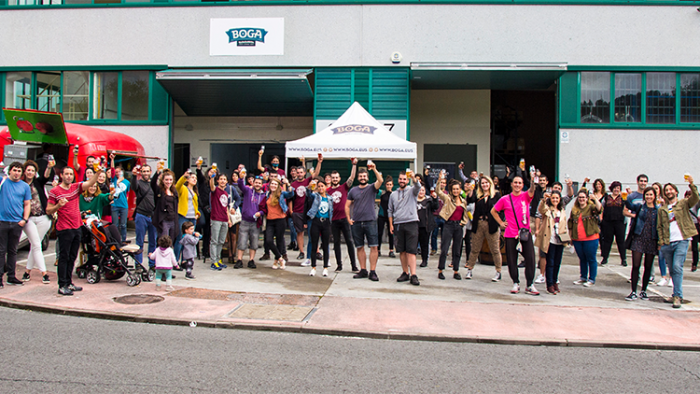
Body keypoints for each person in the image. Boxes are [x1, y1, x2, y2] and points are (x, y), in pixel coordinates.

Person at [47, 166, 102, 296]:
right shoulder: (55, 191)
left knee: (72, 256)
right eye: (66, 174)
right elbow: (48, 210)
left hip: (77, 226)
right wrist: (58, 205)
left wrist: (98, 172)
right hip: (64, 228)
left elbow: (90, 182)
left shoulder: (75, 187)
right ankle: (62, 284)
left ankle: (69, 282)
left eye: (71, 174)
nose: (69, 176)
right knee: (63, 257)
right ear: (61, 175)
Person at [491, 174, 539, 295]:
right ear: (512, 184)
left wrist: (533, 181)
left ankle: (529, 284)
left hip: (524, 233)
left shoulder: (525, 196)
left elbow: (532, 190)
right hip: (510, 233)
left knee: (530, 259)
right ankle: (515, 282)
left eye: (520, 183)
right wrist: (501, 223)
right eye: (515, 183)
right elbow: (494, 211)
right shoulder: (505, 199)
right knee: (512, 259)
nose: (517, 185)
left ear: (523, 185)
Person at [657, 176, 698, 308]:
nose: (669, 192)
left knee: (676, 267)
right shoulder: (662, 209)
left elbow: (696, 198)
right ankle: (675, 293)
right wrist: (662, 242)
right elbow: (659, 226)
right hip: (668, 242)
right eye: (666, 190)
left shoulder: (683, 203)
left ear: (676, 191)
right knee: (673, 270)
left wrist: (691, 184)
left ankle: (678, 296)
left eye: (671, 189)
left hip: (682, 239)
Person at [345, 163, 383, 281]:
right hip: (356, 223)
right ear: (358, 178)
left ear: (367, 177)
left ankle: (372, 271)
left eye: (364, 176)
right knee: (359, 247)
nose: (362, 178)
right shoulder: (353, 190)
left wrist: (375, 169)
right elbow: (347, 205)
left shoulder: (372, 187)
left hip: (370, 221)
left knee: (374, 247)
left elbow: (380, 180)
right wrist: (348, 218)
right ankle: (363, 270)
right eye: (360, 176)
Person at [20, 160, 53, 284]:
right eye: (28, 170)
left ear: (35, 173)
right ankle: (44, 273)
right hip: (29, 219)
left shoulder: (37, 183)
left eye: (32, 170)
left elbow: (46, 177)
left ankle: (27, 272)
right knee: (36, 245)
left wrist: (49, 167)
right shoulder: (20, 184)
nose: (30, 172)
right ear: (25, 171)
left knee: (35, 245)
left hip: (43, 217)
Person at [0, 162, 32, 288]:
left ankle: (11, 277)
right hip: (2, 221)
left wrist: (24, 219)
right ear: (10, 171)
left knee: (13, 251)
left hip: (16, 223)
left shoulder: (25, 186)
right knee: (1, 250)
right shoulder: (3, 182)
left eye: (19, 171)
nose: (17, 173)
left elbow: (27, 204)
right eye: (15, 170)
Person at [465, 175, 503, 282]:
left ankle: (498, 271)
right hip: (479, 223)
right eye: (482, 183)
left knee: (495, 248)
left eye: (486, 183)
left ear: (490, 183)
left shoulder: (496, 195)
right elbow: (470, 199)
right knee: (475, 248)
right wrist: (471, 190)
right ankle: (470, 269)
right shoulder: (478, 195)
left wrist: (501, 222)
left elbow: (502, 208)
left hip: (491, 224)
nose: (484, 185)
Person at [625, 187, 659, 301]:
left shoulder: (658, 210)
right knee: (636, 265)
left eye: (651, 194)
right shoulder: (640, 207)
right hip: (638, 238)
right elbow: (629, 205)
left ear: (654, 196)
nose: (649, 197)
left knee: (648, 266)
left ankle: (644, 290)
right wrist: (627, 196)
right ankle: (633, 291)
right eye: (647, 195)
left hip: (652, 239)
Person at [388, 171, 421, 286]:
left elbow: (418, 186)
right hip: (398, 224)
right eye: (400, 179)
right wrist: (391, 224)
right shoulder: (393, 195)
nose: (402, 181)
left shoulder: (412, 191)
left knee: (411, 250)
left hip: (411, 222)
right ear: (398, 180)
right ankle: (405, 272)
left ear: (407, 181)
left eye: (404, 179)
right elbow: (390, 211)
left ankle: (413, 274)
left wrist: (413, 177)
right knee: (401, 250)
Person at [435, 172, 470, 280]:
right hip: (448, 225)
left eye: (457, 189)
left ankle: (456, 270)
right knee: (444, 249)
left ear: (460, 190)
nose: (455, 191)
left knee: (457, 249)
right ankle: (441, 270)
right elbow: (438, 191)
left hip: (458, 226)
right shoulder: (448, 198)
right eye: (454, 189)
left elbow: (466, 214)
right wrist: (440, 179)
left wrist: (463, 223)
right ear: (451, 190)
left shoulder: (463, 201)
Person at [535, 190, 570, 295]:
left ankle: (555, 281)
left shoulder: (562, 210)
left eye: (557, 198)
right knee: (550, 262)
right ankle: (549, 284)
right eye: (553, 198)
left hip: (560, 239)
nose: (555, 200)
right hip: (550, 239)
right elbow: (541, 209)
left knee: (557, 263)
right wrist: (544, 200)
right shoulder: (547, 209)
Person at [325, 162, 358, 272]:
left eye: (336, 177)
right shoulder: (327, 191)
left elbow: (352, 177)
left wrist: (354, 165)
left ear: (339, 178)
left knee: (349, 241)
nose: (335, 179)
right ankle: (339, 265)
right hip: (333, 220)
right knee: (336, 243)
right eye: (333, 178)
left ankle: (353, 265)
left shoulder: (344, 187)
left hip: (344, 219)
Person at [290, 156, 322, 262]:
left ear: (304, 173)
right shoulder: (293, 184)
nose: (299, 174)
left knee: (313, 232)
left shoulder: (308, 181)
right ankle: (301, 252)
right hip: (297, 211)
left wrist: (319, 162)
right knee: (299, 232)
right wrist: (291, 211)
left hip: (308, 211)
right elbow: (290, 199)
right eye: (297, 172)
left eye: (301, 172)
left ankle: (316, 251)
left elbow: (316, 173)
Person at [568, 189, 603, 287]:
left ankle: (591, 278)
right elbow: (570, 224)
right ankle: (583, 277)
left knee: (591, 258)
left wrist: (595, 199)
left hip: (591, 238)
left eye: (583, 197)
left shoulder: (591, 207)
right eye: (579, 197)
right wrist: (570, 237)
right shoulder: (575, 210)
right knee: (582, 258)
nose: (581, 199)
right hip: (577, 239)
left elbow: (599, 209)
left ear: (587, 198)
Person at [258, 177, 294, 270]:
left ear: (278, 186)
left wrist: (288, 184)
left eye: (275, 184)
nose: (273, 185)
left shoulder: (282, 194)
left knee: (279, 240)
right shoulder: (267, 194)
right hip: (270, 220)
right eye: (272, 184)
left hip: (280, 220)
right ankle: (280, 258)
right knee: (269, 240)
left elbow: (291, 194)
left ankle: (275, 260)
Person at [236, 174, 266, 269]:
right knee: (242, 241)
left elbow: (265, 209)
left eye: (259, 183)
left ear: (262, 184)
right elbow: (240, 185)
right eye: (256, 183)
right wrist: (241, 178)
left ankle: (251, 260)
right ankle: (239, 260)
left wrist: (260, 213)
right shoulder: (248, 191)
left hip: (255, 222)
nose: (257, 184)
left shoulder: (264, 195)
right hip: (245, 220)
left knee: (254, 242)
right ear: (253, 183)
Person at [304, 178, 333, 277]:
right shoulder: (315, 196)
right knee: (314, 243)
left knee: (325, 245)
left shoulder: (330, 198)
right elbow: (308, 193)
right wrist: (309, 186)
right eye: (319, 186)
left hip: (326, 223)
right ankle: (313, 267)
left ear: (325, 187)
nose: (320, 188)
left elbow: (331, 211)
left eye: (322, 186)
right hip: (316, 221)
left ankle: (325, 268)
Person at [131, 164, 157, 271]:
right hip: (141, 214)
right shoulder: (139, 183)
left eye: (147, 171)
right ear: (141, 173)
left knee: (153, 241)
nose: (146, 173)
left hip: (153, 215)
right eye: (144, 171)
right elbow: (133, 187)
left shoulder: (154, 184)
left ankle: (152, 263)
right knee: (139, 240)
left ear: (151, 172)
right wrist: (133, 176)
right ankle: (138, 263)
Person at [174, 169, 200, 263]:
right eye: (192, 177)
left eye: (195, 178)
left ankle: (185, 260)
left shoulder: (195, 192)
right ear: (188, 179)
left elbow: (195, 205)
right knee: (180, 238)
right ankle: (176, 260)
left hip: (192, 217)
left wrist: (197, 214)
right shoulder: (184, 189)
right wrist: (184, 177)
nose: (194, 179)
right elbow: (177, 186)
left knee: (189, 240)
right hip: (183, 216)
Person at [209, 173, 233, 271]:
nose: (223, 181)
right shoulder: (215, 190)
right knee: (214, 240)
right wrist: (211, 178)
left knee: (221, 241)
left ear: (227, 182)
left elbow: (226, 208)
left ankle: (218, 259)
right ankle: (213, 261)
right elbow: (211, 186)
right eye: (221, 179)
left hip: (224, 219)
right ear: (218, 181)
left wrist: (229, 220)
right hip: (216, 218)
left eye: (224, 179)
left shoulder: (226, 194)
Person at [196, 162, 217, 262]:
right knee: (200, 226)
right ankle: (196, 250)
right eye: (210, 171)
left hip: (211, 209)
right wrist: (198, 167)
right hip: (202, 207)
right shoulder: (203, 181)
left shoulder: (215, 184)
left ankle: (205, 250)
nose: (211, 173)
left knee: (208, 232)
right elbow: (199, 175)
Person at [151, 168, 179, 241]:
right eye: (166, 180)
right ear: (163, 180)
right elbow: (153, 183)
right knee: (164, 240)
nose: (168, 182)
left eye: (170, 180)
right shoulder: (160, 190)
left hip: (173, 219)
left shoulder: (174, 191)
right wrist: (157, 172)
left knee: (171, 240)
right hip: (164, 219)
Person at [109, 153, 130, 244]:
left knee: (123, 224)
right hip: (115, 204)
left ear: (123, 172)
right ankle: (116, 240)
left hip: (123, 205)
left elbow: (127, 193)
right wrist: (112, 160)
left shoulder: (127, 182)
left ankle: (123, 240)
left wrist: (126, 202)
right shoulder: (113, 180)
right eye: (116, 172)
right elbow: (112, 170)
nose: (117, 173)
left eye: (119, 172)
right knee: (115, 224)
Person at [417, 185, 439, 268]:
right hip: (415, 225)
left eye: (423, 190)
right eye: (419, 190)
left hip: (425, 226)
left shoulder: (428, 201)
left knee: (424, 244)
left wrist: (435, 198)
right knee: (412, 244)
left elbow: (435, 207)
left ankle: (424, 260)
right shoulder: (413, 200)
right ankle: (411, 260)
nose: (421, 192)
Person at [377, 176, 395, 258]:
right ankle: (378, 250)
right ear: (385, 185)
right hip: (381, 215)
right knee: (379, 233)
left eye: (390, 184)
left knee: (391, 233)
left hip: (390, 216)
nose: (389, 186)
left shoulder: (394, 194)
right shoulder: (382, 193)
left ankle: (391, 250)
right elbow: (375, 189)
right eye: (387, 184)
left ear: (392, 185)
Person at [430, 177, 447, 256]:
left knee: (445, 235)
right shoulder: (435, 193)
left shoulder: (447, 194)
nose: (442, 184)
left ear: (445, 184)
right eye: (441, 183)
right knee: (434, 234)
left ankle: (444, 250)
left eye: (443, 183)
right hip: (435, 216)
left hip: (444, 217)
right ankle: (434, 249)